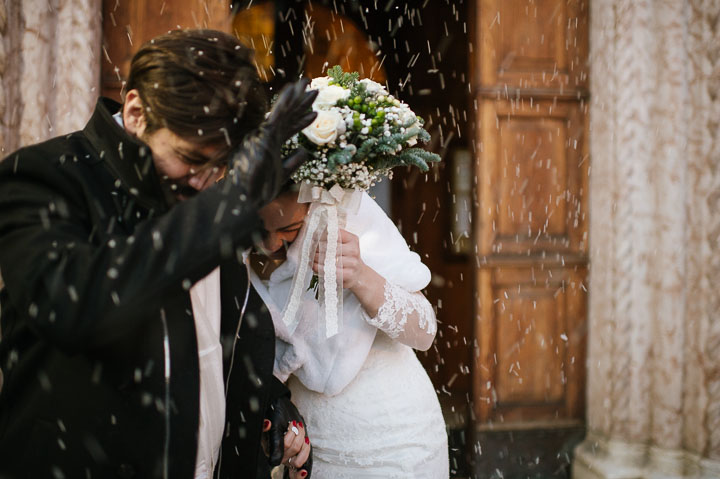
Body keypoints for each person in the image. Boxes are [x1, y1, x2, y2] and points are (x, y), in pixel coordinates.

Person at [0, 30, 315, 479]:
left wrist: (272, 406)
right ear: (134, 110)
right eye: (190, 158)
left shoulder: (205, 200)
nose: (206, 181)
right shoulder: (40, 177)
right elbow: (77, 307)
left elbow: (220, 335)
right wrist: (229, 203)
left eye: (221, 167)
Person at [248, 184, 449, 478]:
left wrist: (360, 275)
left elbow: (424, 331)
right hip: (307, 440)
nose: (270, 243)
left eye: (288, 228)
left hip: (393, 442)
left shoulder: (348, 218)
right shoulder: (231, 245)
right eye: (258, 229)